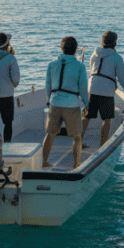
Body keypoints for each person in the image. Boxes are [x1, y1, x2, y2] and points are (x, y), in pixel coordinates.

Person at [41, 36, 89, 170]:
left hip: (54, 103)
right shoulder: (80, 66)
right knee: (77, 137)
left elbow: (48, 85)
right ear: (75, 50)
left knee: (50, 134)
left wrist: (50, 99)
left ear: (61, 48)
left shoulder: (52, 64)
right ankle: (76, 165)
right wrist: (87, 104)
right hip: (71, 105)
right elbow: (83, 88)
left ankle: (44, 161)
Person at [85, 30, 124, 149]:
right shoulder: (117, 58)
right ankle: (102, 146)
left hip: (92, 87)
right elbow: (122, 79)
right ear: (115, 43)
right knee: (107, 119)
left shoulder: (94, 54)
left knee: (87, 116)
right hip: (106, 91)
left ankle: (78, 140)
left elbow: (93, 71)